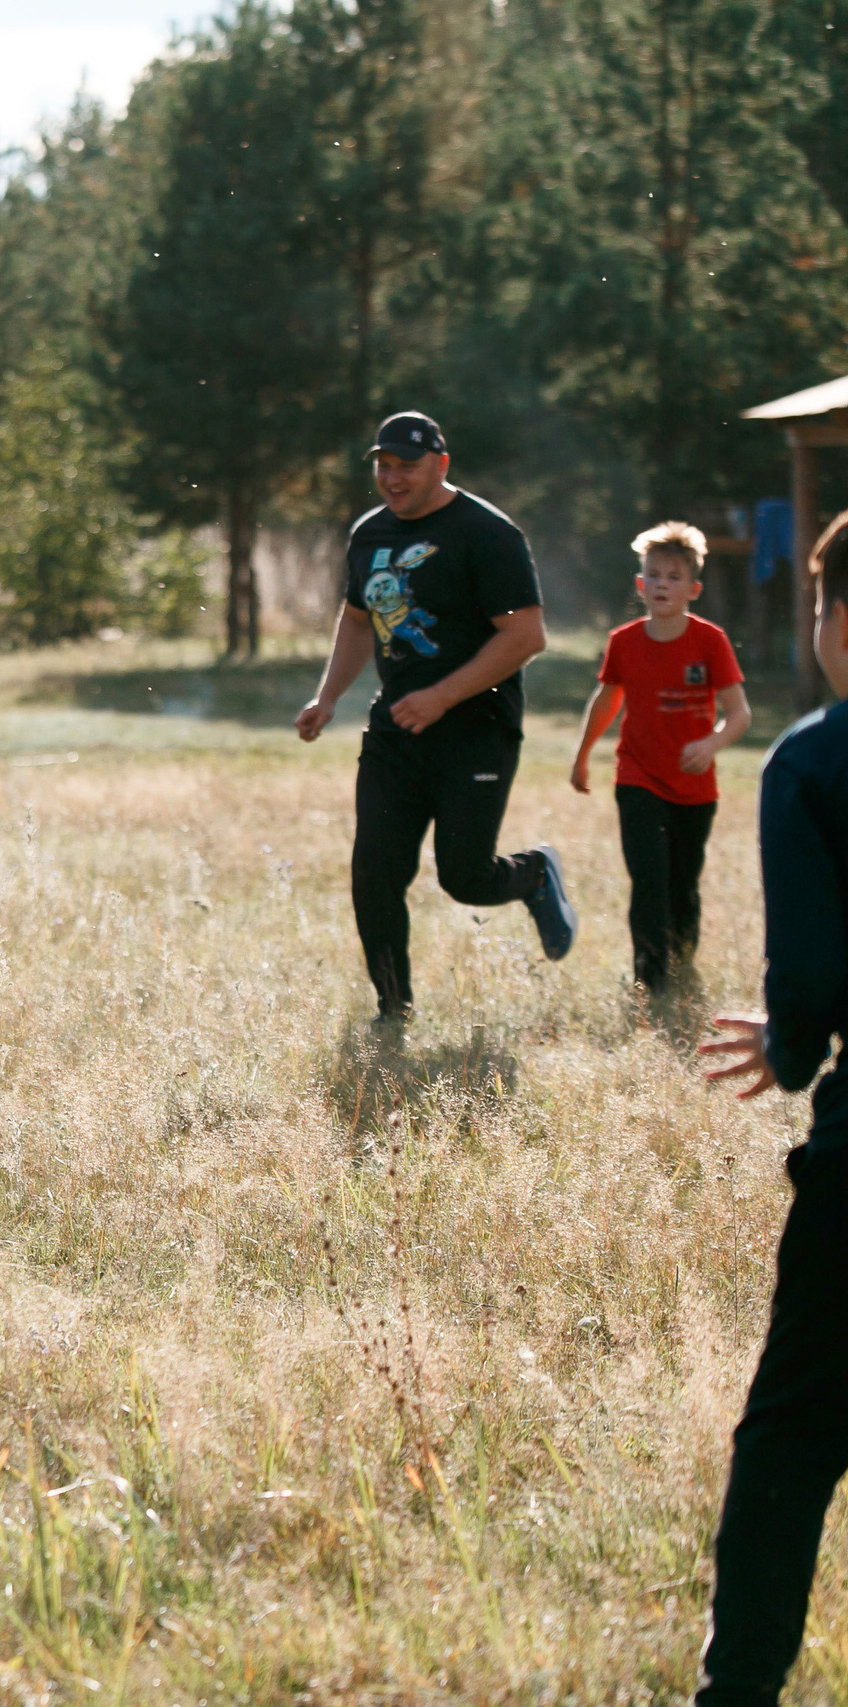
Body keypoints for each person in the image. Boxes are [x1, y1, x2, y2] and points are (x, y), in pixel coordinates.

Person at [692, 538, 848, 1706]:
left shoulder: (812, 761)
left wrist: (789, 1046)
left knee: (792, 1437)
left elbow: (808, 972)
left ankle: (738, 1691)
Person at [294, 410, 577, 1024]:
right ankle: (392, 1010)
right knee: (375, 872)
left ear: (441, 465)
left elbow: (526, 635)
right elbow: (357, 619)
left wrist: (443, 696)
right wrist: (328, 696)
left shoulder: (488, 534)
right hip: (396, 728)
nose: (392, 478)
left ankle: (533, 874)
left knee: (465, 878)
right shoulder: (368, 534)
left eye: (408, 466)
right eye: (384, 465)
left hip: (478, 729)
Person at [568, 522, 750, 989]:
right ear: (640, 584)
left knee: (682, 884)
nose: (662, 584)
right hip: (638, 775)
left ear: (693, 589)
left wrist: (710, 743)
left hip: (695, 786)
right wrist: (582, 755)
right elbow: (606, 701)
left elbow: (739, 714)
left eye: (673, 576)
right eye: (654, 575)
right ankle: (650, 979)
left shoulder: (710, 641)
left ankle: (682, 962)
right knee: (649, 878)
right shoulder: (624, 641)